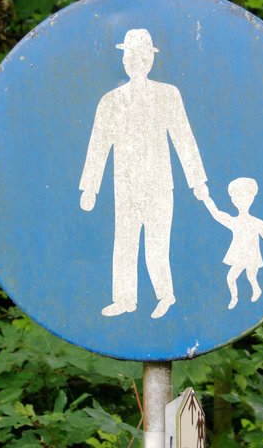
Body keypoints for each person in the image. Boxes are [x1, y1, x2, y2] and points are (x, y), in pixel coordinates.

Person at [79, 29, 208, 319]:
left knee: (157, 245)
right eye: (129, 56)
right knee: (124, 244)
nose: (135, 61)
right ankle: (124, 300)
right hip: (124, 185)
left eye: (141, 56)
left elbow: (183, 138)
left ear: (150, 60)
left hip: (160, 185)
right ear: (123, 60)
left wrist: (197, 181)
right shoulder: (111, 101)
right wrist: (90, 188)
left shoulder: (168, 95)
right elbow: (98, 146)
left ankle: (165, 296)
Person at [201, 177, 263, 309]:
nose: (239, 199)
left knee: (251, 276)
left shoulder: (257, 222)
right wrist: (206, 198)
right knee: (231, 278)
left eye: (243, 195)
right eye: (236, 196)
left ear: (251, 198)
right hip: (239, 255)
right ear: (233, 199)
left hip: (252, 255)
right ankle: (234, 298)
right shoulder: (234, 222)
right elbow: (217, 214)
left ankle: (256, 289)